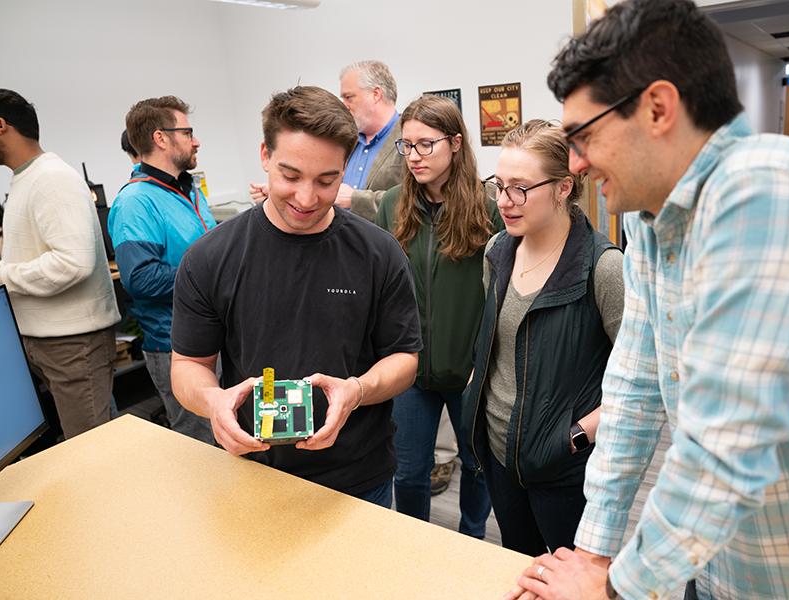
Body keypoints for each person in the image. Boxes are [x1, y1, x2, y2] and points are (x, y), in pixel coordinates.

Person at [504, 1, 789, 599]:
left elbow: (727, 443)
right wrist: (593, 554)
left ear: (659, 108)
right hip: (721, 564)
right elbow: (634, 395)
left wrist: (615, 588)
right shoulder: (651, 225)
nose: (578, 162)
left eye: (585, 136)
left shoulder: (767, 190)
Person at [170, 85, 421, 506]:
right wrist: (214, 400)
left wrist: (356, 390)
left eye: (327, 180)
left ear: (345, 168)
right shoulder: (209, 258)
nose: (307, 199)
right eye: (290, 176)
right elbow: (188, 366)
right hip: (253, 474)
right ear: (265, 156)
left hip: (359, 478)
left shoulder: (379, 253)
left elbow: (404, 359)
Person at [462, 119, 624, 556]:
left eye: (520, 188)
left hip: (561, 466)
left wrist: (575, 436)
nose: (503, 201)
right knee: (521, 563)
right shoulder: (498, 250)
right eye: (498, 185)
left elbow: (647, 380)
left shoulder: (603, 269)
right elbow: (495, 346)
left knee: (566, 574)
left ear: (563, 188)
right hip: (498, 452)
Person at [375, 94, 503, 537]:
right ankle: (416, 548)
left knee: (477, 465)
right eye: (406, 146)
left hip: (470, 371)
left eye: (425, 144)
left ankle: (472, 538)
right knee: (409, 472)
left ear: (455, 143)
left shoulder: (490, 207)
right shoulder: (391, 204)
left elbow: (502, 297)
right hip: (409, 369)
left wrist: (484, 363)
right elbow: (384, 288)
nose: (413, 156)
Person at [0, 89, 120, 439]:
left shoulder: (51, 178)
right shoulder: (26, 178)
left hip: (73, 345)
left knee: (92, 450)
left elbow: (73, 264)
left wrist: (4, 275)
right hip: (49, 340)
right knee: (88, 443)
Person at [108, 96, 216, 445]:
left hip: (214, 337)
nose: (195, 140)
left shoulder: (187, 189)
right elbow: (140, 278)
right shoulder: (135, 202)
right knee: (203, 451)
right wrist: (215, 278)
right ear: (161, 138)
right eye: (188, 132)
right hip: (176, 346)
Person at [249, 60, 404, 222]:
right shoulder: (345, 140)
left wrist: (355, 199)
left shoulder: (410, 141)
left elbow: (417, 202)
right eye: (290, 176)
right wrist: (282, 193)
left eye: (348, 97)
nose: (344, 105)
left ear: (376, 94)